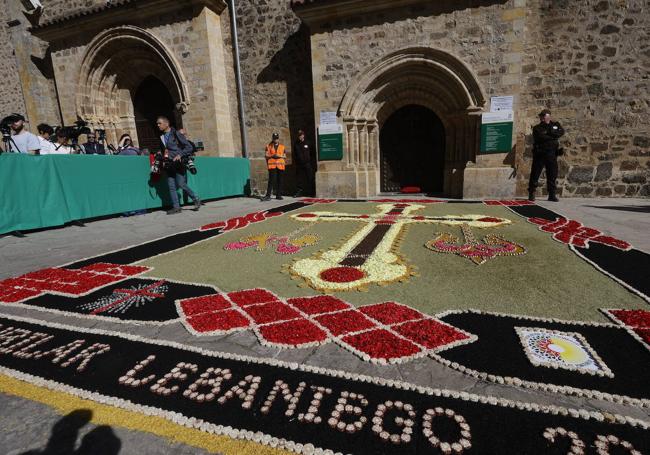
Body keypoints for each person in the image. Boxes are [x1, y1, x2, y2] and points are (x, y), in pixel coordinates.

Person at [156, 116, 201, 215]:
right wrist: (161, 156)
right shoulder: (161, 137)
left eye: (159, 123)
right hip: (168, 165)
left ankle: (195, 198)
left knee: (181, 184)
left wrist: (180, 154)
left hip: (178, 164)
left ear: (166, 124)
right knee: (171, 186)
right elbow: (164, 150)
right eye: (157, 123)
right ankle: (176, 207)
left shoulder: (176, 133)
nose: (158, 125)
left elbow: (188, 147)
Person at [529, 109, 565, 202]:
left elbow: (561, 132)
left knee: (552, 174)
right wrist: (553, 136)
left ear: (548, 116)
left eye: (544, 116)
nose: (542, 117)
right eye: (541, 116)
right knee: (535, 173)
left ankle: (552, 194)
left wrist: (551, 134)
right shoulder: (537, 128)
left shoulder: (555, 125)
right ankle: (532, 192)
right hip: (540, 153)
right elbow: (541, 137)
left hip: (552, 153)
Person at [262, 132, 286, 201]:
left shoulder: (282, 146)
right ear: (272, 138)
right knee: (271, 180)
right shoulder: (268, 146)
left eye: (276, 138)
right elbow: (266, 155)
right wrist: (272, 156)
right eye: (274, 138)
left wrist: (279, 156)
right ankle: (268, 195)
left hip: (280, 165)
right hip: (272, 165)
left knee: (280, 180)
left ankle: (278, 195)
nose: (275, 140)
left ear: (278, 139)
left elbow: (284, 156)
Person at [293, 129, 314, 197]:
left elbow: (312, 152)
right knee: (299, 179)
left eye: (301, 135)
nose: (300, 136)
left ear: (303, 135)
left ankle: (311, 192)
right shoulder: (296, 144)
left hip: (307, 163)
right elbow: (295, 154)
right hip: (299, 164)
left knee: (310, 178)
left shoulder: (308, 143)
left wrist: (310, 160)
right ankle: (299, 192)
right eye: (299, 135)